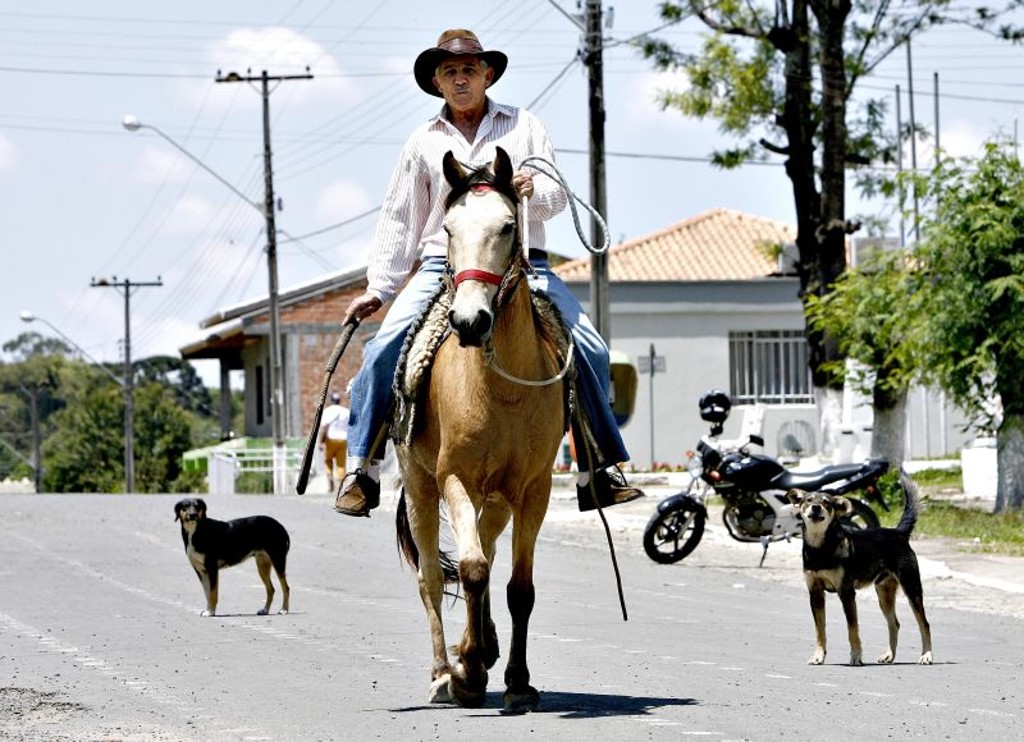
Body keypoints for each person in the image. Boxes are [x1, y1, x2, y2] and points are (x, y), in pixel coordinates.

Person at [334, 28, 644, 517]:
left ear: (488, 74)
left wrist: (528, 190)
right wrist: (380, 288)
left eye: (469, 70)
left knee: (591, 348)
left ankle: (598, 467)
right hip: (444, 265)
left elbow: (556, 198)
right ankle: (361, 469)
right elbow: (400, 216)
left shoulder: (524, 126)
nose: (460, 80)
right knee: (381, 350)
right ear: (437, 81)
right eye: (450, 72)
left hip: (523, 263)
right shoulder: (422, 142)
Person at [318, 390, 350, 493]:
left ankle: (330, 478)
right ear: (339, 401)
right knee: (341, 463)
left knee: (328, 460)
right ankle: (340, 484)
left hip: (330, 439)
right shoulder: (346, 411)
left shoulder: (328, 411)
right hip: (343, 439)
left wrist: (320, 442)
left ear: (331, 400)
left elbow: (323, 427)